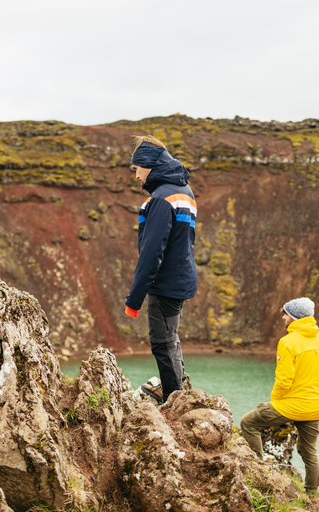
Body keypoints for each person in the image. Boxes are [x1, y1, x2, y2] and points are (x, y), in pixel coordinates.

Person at [124, 135, 197, 404]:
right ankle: (176, 387)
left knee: (161, 341)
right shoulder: (184, 192)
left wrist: (134, 299)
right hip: (181, 278)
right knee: (170, 336)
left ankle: (172, 399)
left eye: (136, 169)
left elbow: (151, 254)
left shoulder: (161, 199)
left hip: (165, 283)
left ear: (148, 164)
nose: (136, 176)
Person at [239, 297, 319, 494]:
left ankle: (257, 470)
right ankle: (312, 494)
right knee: (310, 452)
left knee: (248, 422)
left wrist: (275, 401)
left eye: (286, 314)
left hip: (289, 406)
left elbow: (283, 380)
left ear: (295, 317)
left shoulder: (287, 342)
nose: (283, 317)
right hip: (315, 407)